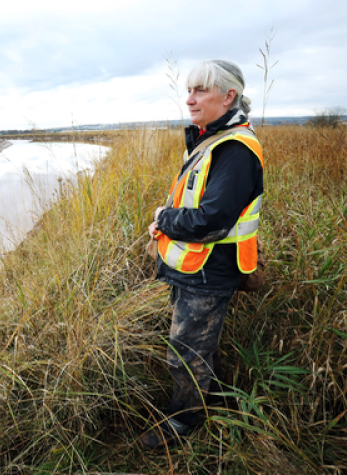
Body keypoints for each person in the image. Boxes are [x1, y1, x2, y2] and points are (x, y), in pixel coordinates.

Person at [141, 60, 264, 449]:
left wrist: (165, 217)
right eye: (188, 90)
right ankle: (214, 400)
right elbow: (194, 202)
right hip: (194, 268)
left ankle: (184, 422)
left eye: (200, 91)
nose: (189, 99)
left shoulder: (236, 150)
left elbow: (211, 221)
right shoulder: (208, 139)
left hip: (209, 273)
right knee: (196, 346)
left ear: (228, 96)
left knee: (185, 353)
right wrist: (166, 223)